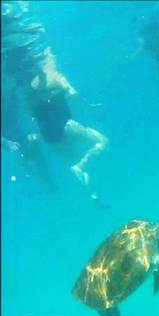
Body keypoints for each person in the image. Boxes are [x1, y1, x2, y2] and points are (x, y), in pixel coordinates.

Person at [1, 1, 108, 203]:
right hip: (64, 125)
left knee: (73, 163)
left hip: (49, 134)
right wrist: (74, 94)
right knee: (102, 142)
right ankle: (84, 168)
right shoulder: (53, 77)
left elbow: (27, 106)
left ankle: (94, 195)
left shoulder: (27, 91)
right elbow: (73, 94)